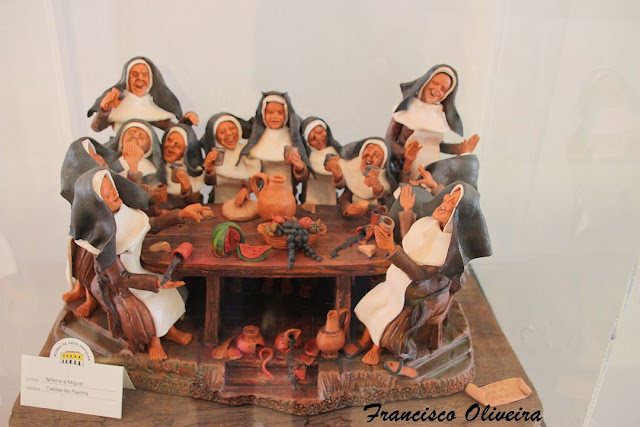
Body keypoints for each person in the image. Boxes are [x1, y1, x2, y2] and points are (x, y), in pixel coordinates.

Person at [70, 168, 212, 360]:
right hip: (125, 284)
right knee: (151, 304)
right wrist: (154, 283)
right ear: (96, 203)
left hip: (140, 268)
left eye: (112, 188)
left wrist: (181, 214)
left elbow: (150, 225)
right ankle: (154, 342)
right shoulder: (103, 237)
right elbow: (119, 278)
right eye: (106, 194)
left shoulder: (126, 211)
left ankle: (169, 331)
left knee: (171, 296)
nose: (114, 194)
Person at [345, 183, 492, 368]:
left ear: (459, 216)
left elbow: (419, 275)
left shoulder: (447, 249)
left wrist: (391, 248)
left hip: (416, 292)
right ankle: (366, 339)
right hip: (395, 283)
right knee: (373, 305)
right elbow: (411, 243)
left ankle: (376, 347)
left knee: (386, 316)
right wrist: (407, 210)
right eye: (448, 196)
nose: (445, 200)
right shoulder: (429, 223)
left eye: (452, 202)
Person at [386, 65, 478, 182]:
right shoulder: (405, 108)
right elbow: (389, 140)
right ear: (426, 82)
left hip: (431, 168)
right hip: (405, 167)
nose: (437, 89)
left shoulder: (439, 114)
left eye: (443, 89)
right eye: (435, 83)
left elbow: (437, 145)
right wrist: (405, 153)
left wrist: (459, 148)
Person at [87, 56, 199, 132]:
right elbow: (96, 127)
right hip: (120, 153)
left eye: (145, 75)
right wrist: (104, 109)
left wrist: (186, 122)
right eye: (135, 74)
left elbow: (172, 129)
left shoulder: (151, 106)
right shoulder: (117, 102)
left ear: (150, 80)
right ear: (127, 78)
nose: (140, 78)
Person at [238, 92, 310, 193]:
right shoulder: (259, 140)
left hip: (288, 193)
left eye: (280, 112)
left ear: (286, 114)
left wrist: (300, 168)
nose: (275, 116)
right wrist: (246, 189)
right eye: (270, 112)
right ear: (263, 113)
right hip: (265, 194)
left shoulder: (292, 139)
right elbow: (254, 174)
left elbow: (304, 178)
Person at [324, 138, 396, 217]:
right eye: (368, 150)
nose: (369, 158)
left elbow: (388, 206)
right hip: (351, 219)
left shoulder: (386, 184)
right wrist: (347, 207)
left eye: (376, 155)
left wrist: (379, 190)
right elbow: (344, 198)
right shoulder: (352, 171)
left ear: (383, 162)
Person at [199, 113, 261, 203]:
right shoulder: (216, 156)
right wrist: (209, 170)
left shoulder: (248, 152)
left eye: (232, 128)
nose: (229, 133)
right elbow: (209, 182)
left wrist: (247, 189)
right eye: (222, 132)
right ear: (215, 136)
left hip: (243, 204)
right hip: (218, 203)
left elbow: (257, 179)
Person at [300, 116, 342, 211]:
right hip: (311, 200)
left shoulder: (336, 153)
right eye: (313, 138)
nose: (319, 138)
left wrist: (338, 176)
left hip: (331, 200)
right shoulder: (307, 157)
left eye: (320, 132)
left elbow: (342, 184)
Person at [160, 124, 205, 209]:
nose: (170, 147)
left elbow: (195, 203)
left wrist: (187, 188)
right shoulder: (157, 167)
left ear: (186, 150)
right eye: (169, 140)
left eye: (177, 145)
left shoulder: (196, 171)